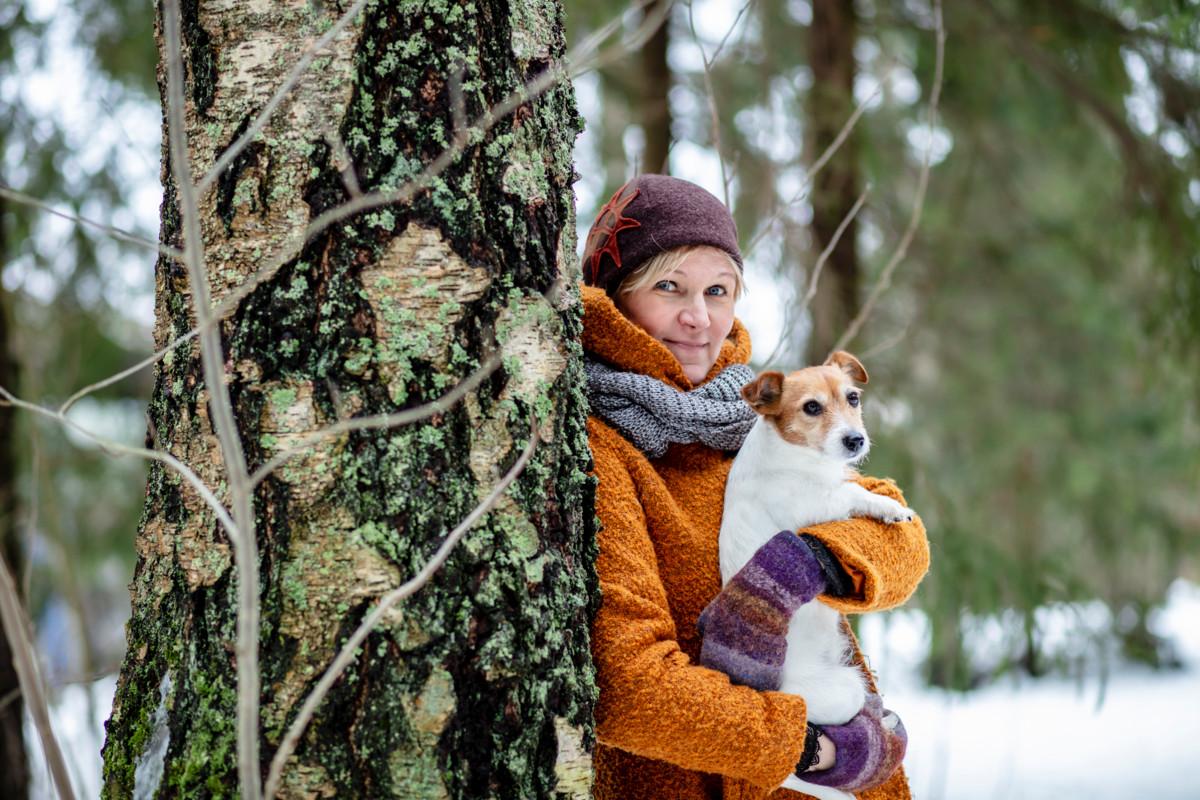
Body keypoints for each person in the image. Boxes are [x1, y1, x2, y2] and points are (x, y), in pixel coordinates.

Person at [580, 174, 930, 800]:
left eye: (719, 290)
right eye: (669, 287)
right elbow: (625, 686)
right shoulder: (600, 450)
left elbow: (901, 536)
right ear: (614, 298)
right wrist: (809, 749)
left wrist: (810, 561)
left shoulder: (764, 417)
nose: (698, 317)